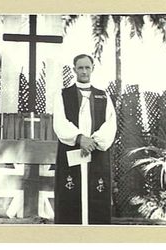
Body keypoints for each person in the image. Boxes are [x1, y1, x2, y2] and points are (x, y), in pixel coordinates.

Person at [53, 54, 117, 224]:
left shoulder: (103, 96)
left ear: (92, 69)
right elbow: (59, 122)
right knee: (70, 194)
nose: (84, 71)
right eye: (80, 67)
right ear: (74, 69)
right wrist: (80, 138)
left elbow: (111, 123)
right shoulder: (63, 95)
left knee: (97, 194)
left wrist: (93, 141)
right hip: (73, 150)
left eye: (87, 67)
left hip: (96, 151)